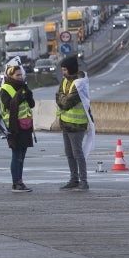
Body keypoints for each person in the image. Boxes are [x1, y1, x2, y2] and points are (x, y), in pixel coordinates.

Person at [56, 55, 95, 191]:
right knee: (69, 153)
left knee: (77, 153)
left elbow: (67, 102)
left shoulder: (80, 83)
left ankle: (83, 181)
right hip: (65, 122)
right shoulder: (65, 81)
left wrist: (62, 98)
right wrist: (62, 98)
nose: (63, 72)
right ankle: (74, 179)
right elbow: (58, 96)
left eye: (65, 69)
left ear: (71, 69)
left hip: (77, 124)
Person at [0, 65, 35, 193]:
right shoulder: (5, 89)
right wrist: (20, 95)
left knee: (22, 156)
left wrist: (28, 94)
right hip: (13, 127)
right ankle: (16, 183)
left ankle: (20, 181)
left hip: (25, 126)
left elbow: (32, 104)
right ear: (10, 76)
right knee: (16, 155)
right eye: (17, 75)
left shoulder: (23, 87)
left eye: (21, 75)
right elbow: (9, 105)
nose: (20, 77)